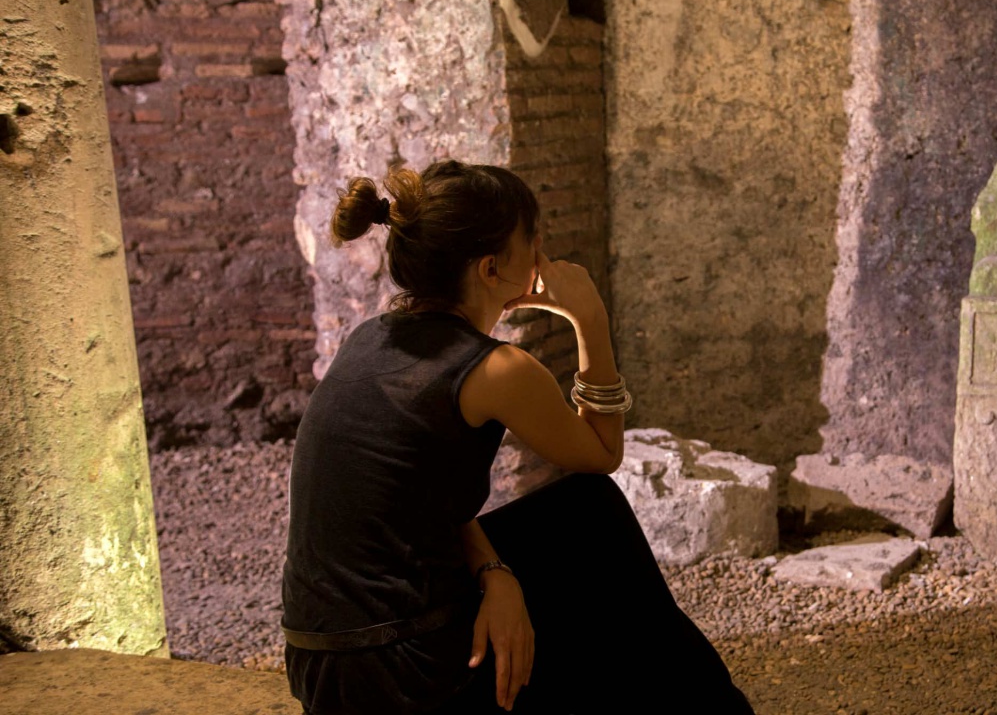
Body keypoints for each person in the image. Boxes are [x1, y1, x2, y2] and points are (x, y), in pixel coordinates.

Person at [281, 160, 754, 714]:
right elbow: (602, 453)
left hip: (322, 665)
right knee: (594, 522)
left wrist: (495, 573)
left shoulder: (370, 339)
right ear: (490, 268)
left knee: (580, 527)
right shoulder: (497, 370)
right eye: (533, 239)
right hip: (400, 673)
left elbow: (415, 511)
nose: (541, 254)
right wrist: (590, 319)